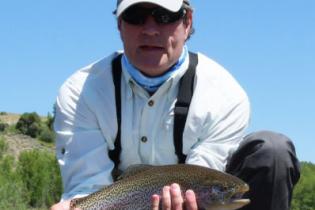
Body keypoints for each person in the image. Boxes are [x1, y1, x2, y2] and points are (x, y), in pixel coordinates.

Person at [51, 0, 300, 210]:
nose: (150, 29)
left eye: (164, 16)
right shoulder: (81, 91)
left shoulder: (224, 94)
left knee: (273, 151)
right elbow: (88, 185)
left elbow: (204, 175)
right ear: (119, 24)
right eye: (136, 16)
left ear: (187, 21)